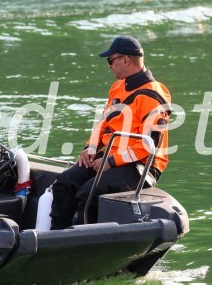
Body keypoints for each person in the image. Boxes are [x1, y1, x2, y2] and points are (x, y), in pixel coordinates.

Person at [49, 36, 171, 228]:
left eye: (111, 60)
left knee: (90, 192)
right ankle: (54, 236)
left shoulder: (152, 96)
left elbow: (149, 147)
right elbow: (104, 124)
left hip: (140, 166)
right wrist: (90, 148)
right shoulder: (118, 87)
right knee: (65, 183)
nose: (109, 66)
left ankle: (80, 242)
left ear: (126, 60)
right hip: (110, 157)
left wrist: (111, 162)